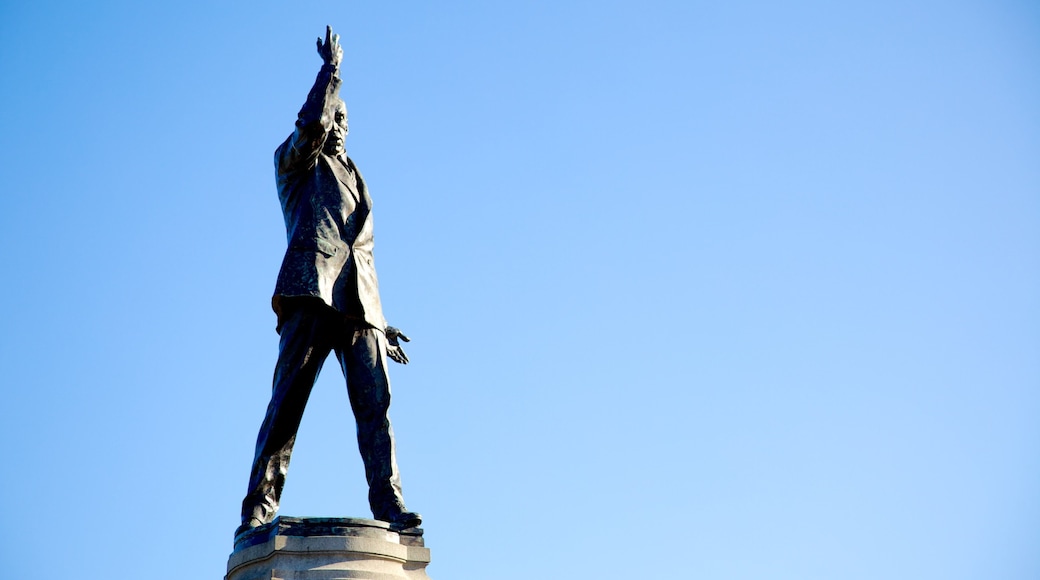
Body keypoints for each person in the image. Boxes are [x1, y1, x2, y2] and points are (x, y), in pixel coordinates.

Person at [236, 26, 420, 539]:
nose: (336, 125)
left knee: (376, 410)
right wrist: (330, 74)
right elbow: (311, 125)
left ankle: (391, 505)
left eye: (343, 119)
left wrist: (381, 319)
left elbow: (359, 252)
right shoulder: (295, 165)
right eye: (332, 116)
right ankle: (259, 507)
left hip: (360, 309)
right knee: (287, 406)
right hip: (310, 293)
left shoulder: (357, 178)